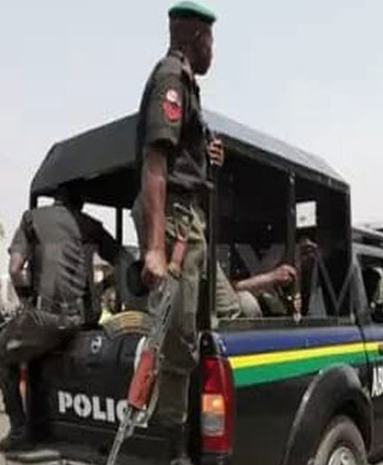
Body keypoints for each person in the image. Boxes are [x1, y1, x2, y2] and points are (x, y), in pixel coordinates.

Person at [130, 2, 220, 463]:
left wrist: (207, 155)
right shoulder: (171, 78)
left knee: (183, 338)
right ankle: (170, 451)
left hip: (188, 221)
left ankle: (177, 445)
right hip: (177, 224)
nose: (213, 52)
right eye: (210, 42)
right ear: (194, 38)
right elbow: (155, 162)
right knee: (175, 339)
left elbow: (182, 157)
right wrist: (155, 248)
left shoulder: (187, 85)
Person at [0, 184, 121, 451]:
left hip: (47, 316)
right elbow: (122, 257)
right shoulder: (88, 224)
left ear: (55, 199)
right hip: (82, 320)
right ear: (79, 203)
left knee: (0, 353)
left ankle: (20, 432)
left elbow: (15, 270)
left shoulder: (32, 218)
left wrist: (28, 299)